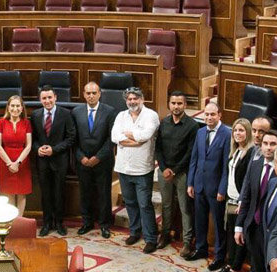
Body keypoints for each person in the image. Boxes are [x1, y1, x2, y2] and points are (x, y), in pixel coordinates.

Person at [235, 130, 277, 272]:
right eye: (265, 144)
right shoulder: (255, 164)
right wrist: (240, 224)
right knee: (256, 263)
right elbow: (246, 196)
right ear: (260, 146)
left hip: (271, 228)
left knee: (268, 269)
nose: (268, 148)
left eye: (273, 144)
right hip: (253, 224)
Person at [111, 87, 161, 253]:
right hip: (123, 167)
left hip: (142, 169)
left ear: (142, 99)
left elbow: (145, 136)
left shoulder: (151, 115)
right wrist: (134, 139)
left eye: (135, 99)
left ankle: (150, 238)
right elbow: (114, 136)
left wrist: (127, 137)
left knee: (145, 204)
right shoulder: (121, 115)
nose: (132, 102)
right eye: (129, 99)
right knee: (130, 202)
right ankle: (135, 231)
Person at [186, 102, 231, 268]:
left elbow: (227, 165)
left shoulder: (227, 134)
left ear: (220, 115)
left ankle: (219, 256)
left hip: (216, 187)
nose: (209, 117)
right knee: (200, 220)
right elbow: (194, 159)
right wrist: (190, 182)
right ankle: (201, 249)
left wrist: (222, 188)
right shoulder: (200, 132)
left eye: (212, 114)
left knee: (219, 224)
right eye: (206, 114)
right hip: (199, 185)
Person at [155, 91, 199, 256]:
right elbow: (158, 147)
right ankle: (165, 235)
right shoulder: (164, 122)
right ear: (169, 104)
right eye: (173, 103)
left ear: (185, 105)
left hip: (182, 173)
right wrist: (164, 167)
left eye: (179, 103)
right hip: (164, 171)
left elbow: (190, 153)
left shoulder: (192, 125)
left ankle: (187, 242)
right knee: (166, 205)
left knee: (184, 207)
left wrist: (174, 170)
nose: (176, 106)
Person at [72, 82, 116, 238]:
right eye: (88, 93)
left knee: (104, 193)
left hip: (102, 161)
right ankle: (87, 222)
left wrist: (98, 157)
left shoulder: (110, 111)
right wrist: (81, 157)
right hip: (82, 160)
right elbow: (73, 138)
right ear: (83, 94)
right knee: (85, 193)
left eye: (94, 93)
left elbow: (112, 138)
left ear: (99, 94)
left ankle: (104, 224)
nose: (91, 96)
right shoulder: (76, 112)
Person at [31, 85, 76, 236]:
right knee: (45, 194)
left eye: (50, 97)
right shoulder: (36, 115)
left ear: (55, 97)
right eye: (44, 98)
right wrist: (37, 148)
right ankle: (47, 223)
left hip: (60, 160)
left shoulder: (65, 114)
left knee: (59, 193)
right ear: (40, 99)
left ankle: (59, 223)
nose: (47, 101)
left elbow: (71, 138)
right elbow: (34, 139)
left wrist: (54, 150)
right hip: (42, 161)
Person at [215, 118, 253, 272]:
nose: (238, 133)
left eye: (241, 130)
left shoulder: (250, 153)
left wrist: (242, 203)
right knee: (230, 233)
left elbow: (248, 182)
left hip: (240, 202)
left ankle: (236, 269)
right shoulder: (236, 150)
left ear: (248, 133)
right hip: (230, 198)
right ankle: (230, 264)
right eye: (235, 130)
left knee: (239, 237)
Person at [0, 95, 32, 216]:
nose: (15, 108)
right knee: (8, 192)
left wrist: (18, 163)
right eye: (12, 105)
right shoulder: (1, 122)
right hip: (5, 161)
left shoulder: (26, 123)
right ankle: (11, 220)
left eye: (18, 106)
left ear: (22, 108)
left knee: (22, 193)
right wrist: (9, 163)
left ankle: (19, 220)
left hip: (22, 161)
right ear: (8, 107)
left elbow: (28, 145)